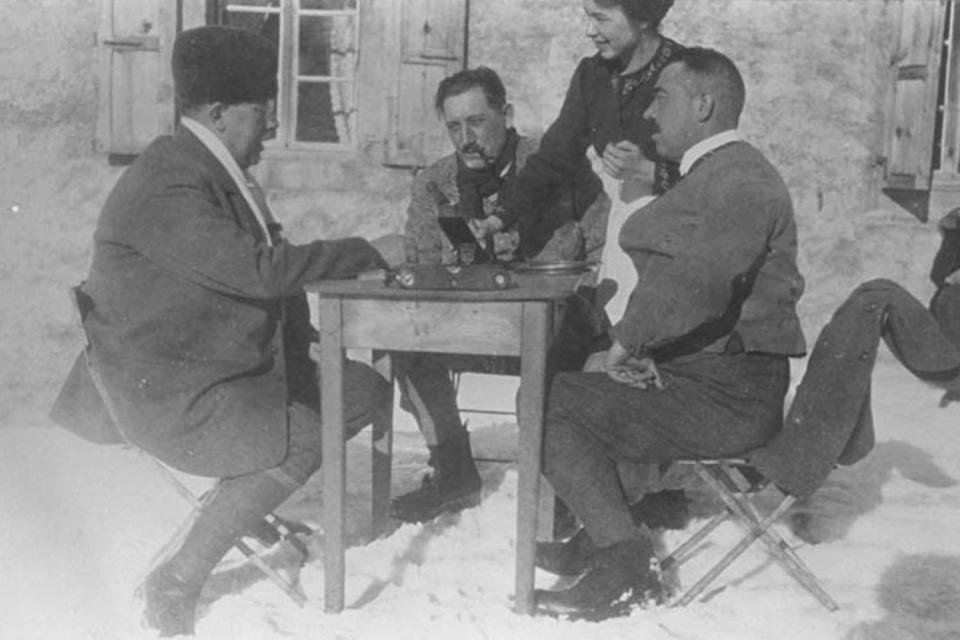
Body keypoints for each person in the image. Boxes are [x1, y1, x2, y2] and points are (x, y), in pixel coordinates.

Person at [49, 26, 390, 636]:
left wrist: (302, 340)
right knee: (310, 431)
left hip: (214, 364)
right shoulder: (171, 180)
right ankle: (179, 575)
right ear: (218, 112)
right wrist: (366, 249)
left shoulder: (213, 168)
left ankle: (242, 502)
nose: (269, 127)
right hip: (169, 391)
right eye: (261, 112)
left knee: (360, 389)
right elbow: (260, 273)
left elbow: (259, 267)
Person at [533, 47, 808, 619]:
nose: (650, 114)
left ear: (704, 104)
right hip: (715, 379)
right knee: (580, 383)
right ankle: (608, 529)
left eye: (661, 97)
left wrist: (628, 343)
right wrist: (648, 351)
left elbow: (696, 285)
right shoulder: (716, 172)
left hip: (732, 397)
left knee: (554, 401)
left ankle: (622, 560)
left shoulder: (739, 180)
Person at [390, 66, 603, 523]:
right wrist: (462, 249)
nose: (466, 138)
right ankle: (454, 472)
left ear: (506, 115)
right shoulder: (435, 182)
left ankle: (564, 486)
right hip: (470, 330)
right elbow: (420, 259)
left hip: (552, 329)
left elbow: (602, 241)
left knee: (572, 352)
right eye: (454, 126)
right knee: (403, 347)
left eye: (477, 122)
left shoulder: (557, 168)